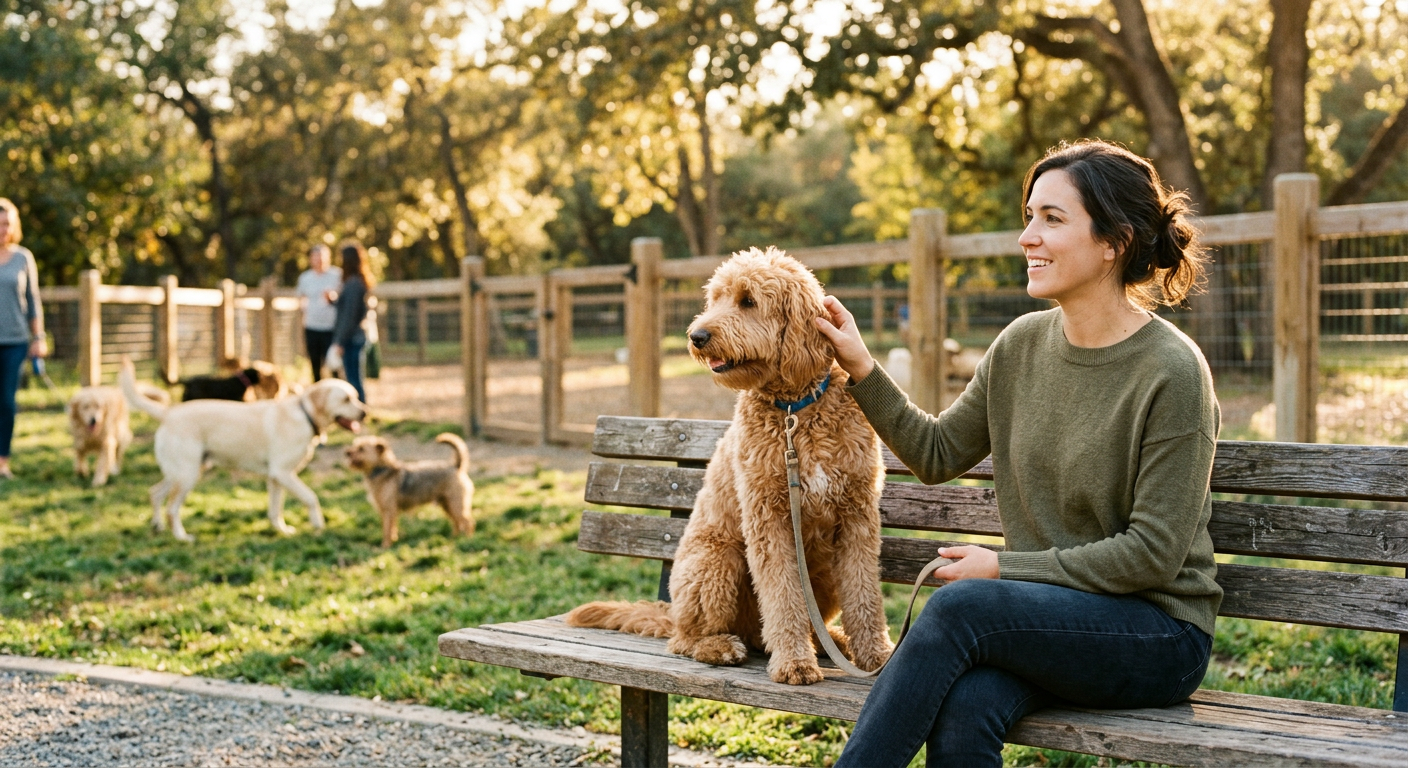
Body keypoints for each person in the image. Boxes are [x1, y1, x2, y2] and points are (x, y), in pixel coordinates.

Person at [814, 140, 1220, 767]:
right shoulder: (1021, 345)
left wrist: (1005, 570)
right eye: (1029, 216)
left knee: (959, 608)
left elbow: (1154, 553)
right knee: (967, 705)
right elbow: (938, 452)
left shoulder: (1172, 371)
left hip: (1156, 634)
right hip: (1044, 621)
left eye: (1052, 219)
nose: (1027, 236)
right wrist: (861, 365)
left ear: (1114, 241)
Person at [0, 198, 46, 480]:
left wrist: (38, 338)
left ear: (13, 227)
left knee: (5, 401)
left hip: (15, 340)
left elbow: (33, 301)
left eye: (6, 224)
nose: (2, 230)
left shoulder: (22, 258)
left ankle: (2, 461)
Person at [330, 239, 373, 404]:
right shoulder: (354, 282)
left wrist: (339, 341)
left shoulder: (353, 284)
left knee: (354, 379)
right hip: (353, 337)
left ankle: (360, 409)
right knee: (354, 376)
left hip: (352, 339)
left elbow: (349, 317)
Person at [295, 243, 342, 382]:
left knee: (333, 364)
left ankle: (336, 392)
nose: (319, 260)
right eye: (315, 257)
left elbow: (344, 299)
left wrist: (333, 297)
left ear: (328, 257)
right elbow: (300, 297)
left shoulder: (337, 275)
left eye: (321, 257)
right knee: (315, 363)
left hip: (331, 327)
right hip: (312, 326)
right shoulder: (305, 278)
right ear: (311, 259)